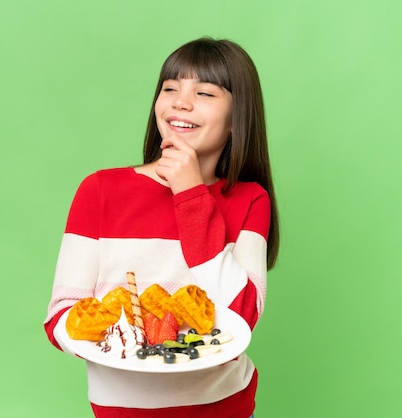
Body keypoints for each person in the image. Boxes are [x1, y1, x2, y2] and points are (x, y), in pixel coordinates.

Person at [44, 37, 279, 418]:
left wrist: (190, 196)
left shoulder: (250, 200)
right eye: (170, 88)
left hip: (225, 409)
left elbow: (242, 315)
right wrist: (121, 342)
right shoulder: (100, 190)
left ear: (238, 118)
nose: (180, 102)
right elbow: (59, 316)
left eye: (204, 92)